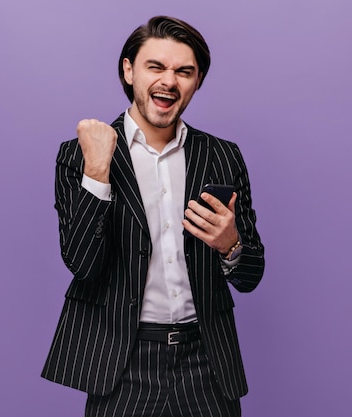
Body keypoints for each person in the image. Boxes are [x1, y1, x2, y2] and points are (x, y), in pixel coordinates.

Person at [41, 16, 265, 417]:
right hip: (121, 360)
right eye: (156, 67)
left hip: (207, 363)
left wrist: (230, 244)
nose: (169, 81)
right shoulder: (78, 154)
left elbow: (250, 277)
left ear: (197, 82)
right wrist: (96, 171)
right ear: (129, 71)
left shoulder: (223, 156)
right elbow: (82, 264)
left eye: (184, 71)